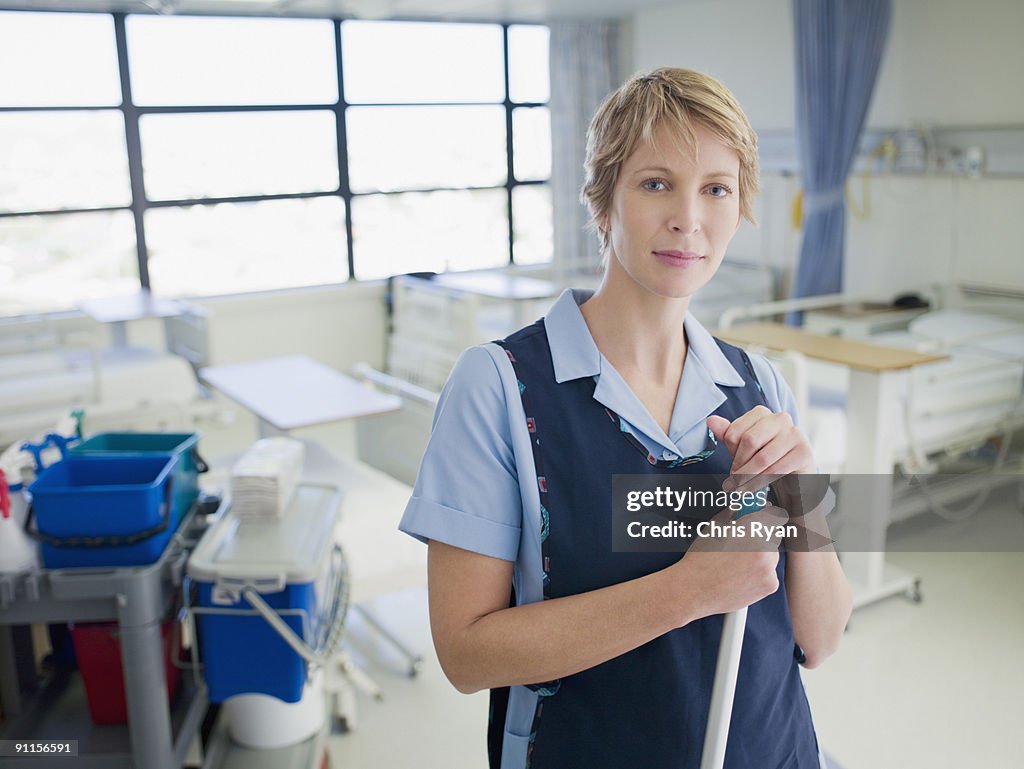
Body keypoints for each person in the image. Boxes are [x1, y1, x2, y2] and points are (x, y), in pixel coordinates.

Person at [399, 67, 852, 769]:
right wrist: (687, 590)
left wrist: (804, 492)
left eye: (716, 189)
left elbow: (820, 640)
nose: (688, 220)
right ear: (602, 199)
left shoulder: (760, 385)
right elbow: (466, 653)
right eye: (655, 183)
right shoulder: (502, 387)